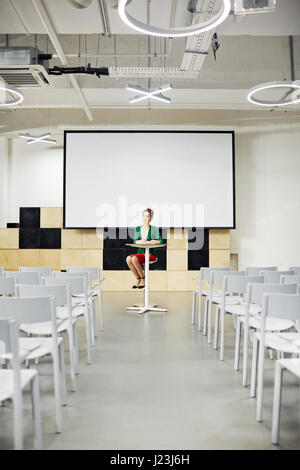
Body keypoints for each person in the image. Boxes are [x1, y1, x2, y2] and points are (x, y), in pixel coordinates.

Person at [126, 208, 162, 289]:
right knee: (128, 258)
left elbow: (159, 241)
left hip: (150, 254)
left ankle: (143, 278)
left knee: (134, 258)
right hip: (140, 253)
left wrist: (153, 241)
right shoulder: (138, 228)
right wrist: (141, 241)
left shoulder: (154, 229)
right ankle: (138, 278)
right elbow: (135, 241)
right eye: (144, 216)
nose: (145, 218)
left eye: (147, 216)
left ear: (150, 218)